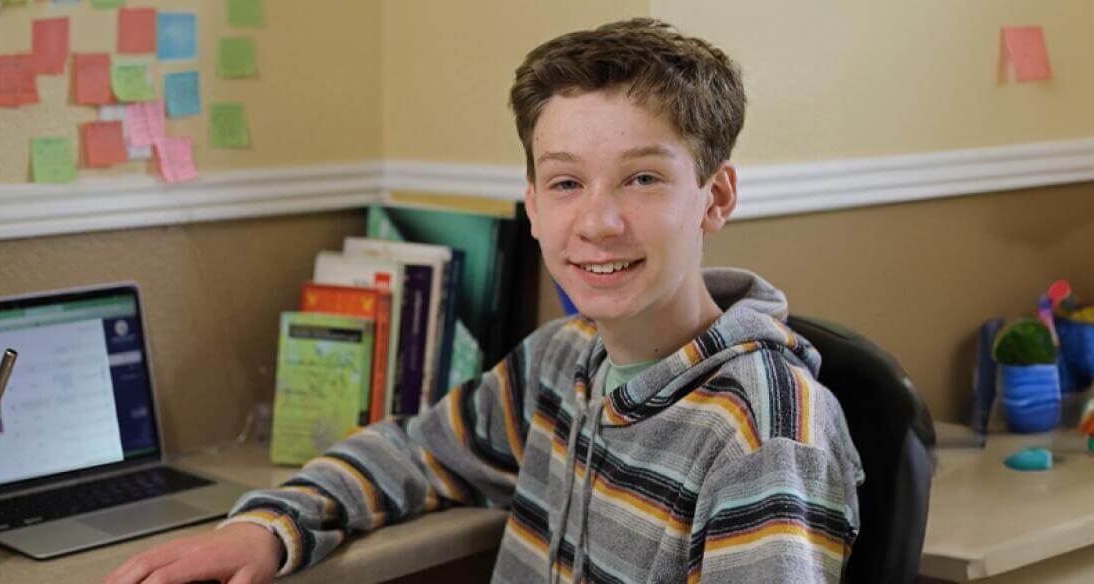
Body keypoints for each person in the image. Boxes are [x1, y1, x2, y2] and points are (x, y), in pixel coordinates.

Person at [106, 17, 863, 584]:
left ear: (715, 197)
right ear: (532, 206)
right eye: (566, 182)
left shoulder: (763, 433)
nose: (597, 222)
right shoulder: (564, 360)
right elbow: (416, 451)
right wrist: (269, 528)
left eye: (642, 178)